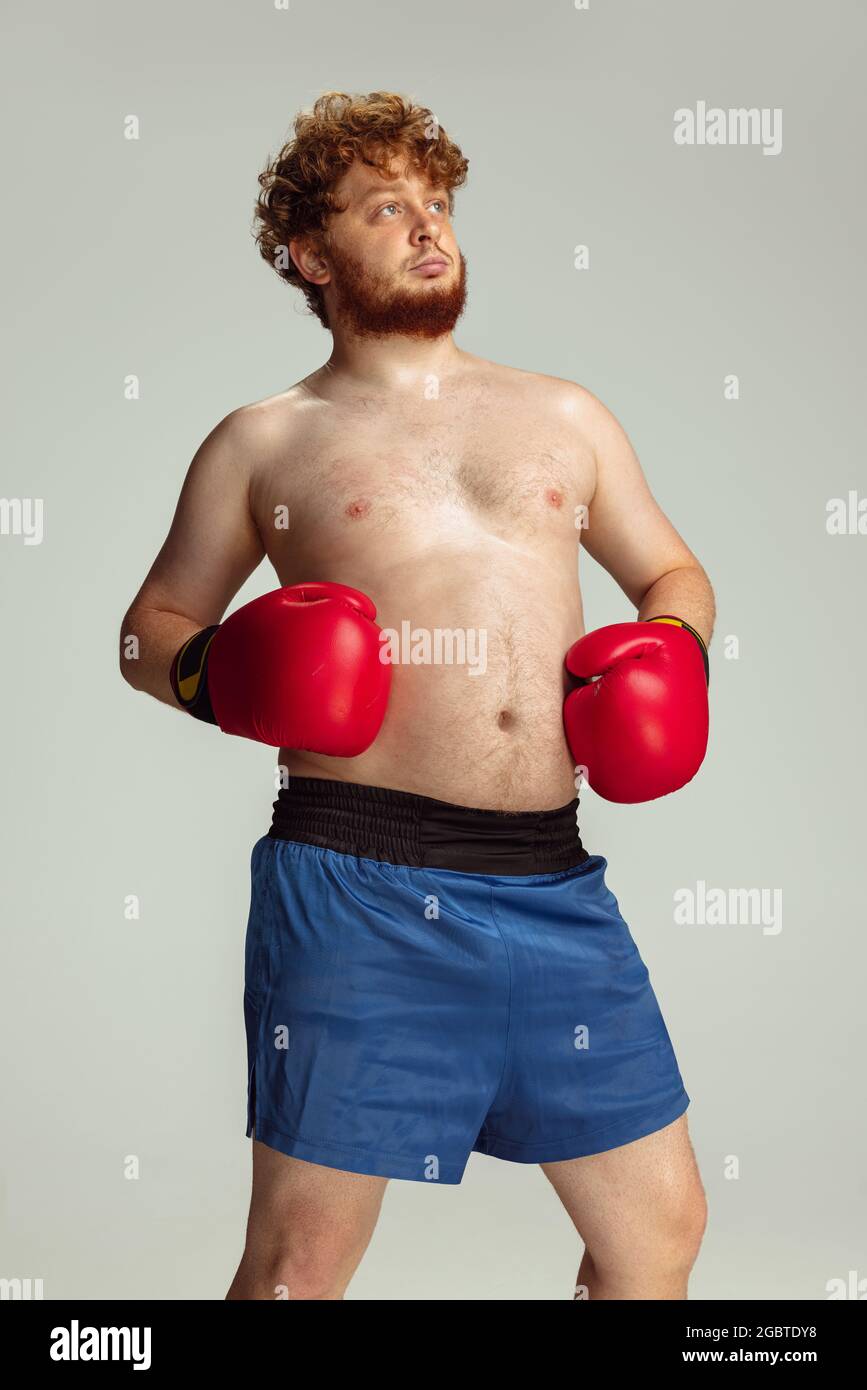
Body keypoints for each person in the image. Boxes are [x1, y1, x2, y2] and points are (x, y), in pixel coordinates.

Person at [119, 90, 714, 1301]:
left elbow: (672, 571)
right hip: (358, 883)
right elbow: (149, 633)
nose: (428, 227)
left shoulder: (564, 414)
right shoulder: (264, 440)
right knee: (298, 1266)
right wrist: (220, 671)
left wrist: (674, 649)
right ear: (310, 252)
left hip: (554, 882)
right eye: (386, 208)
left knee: (658, 1237)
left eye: (437, 204)